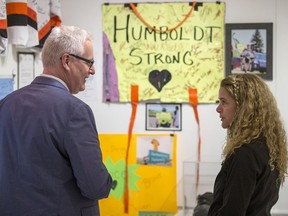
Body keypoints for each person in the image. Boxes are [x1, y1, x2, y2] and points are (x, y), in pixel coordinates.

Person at [0, 26, 113, 216]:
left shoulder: (5, 104)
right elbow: (95, 186)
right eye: (89, 62)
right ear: (66, 61)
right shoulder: (75, 111)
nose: (92, 70)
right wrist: (107, 181)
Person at [208, 74, 288, 216]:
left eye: (224, 102)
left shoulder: (245, 154)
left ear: (243, 107)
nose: (218, 109)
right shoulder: (266, 147)